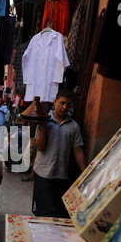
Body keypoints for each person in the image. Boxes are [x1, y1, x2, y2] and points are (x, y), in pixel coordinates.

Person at [32, 89, 86, 218]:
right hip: (42, 173)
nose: (65, 107)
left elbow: (77, 150)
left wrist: (85, 173)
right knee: (43, 211)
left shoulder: (73, 126)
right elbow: (40, 147)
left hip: (61, 175)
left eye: (68, 104)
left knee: (57, 211)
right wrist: (45, 124)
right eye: (62, 103)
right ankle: (40, 236)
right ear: (55, 102)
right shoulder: (44, 121)